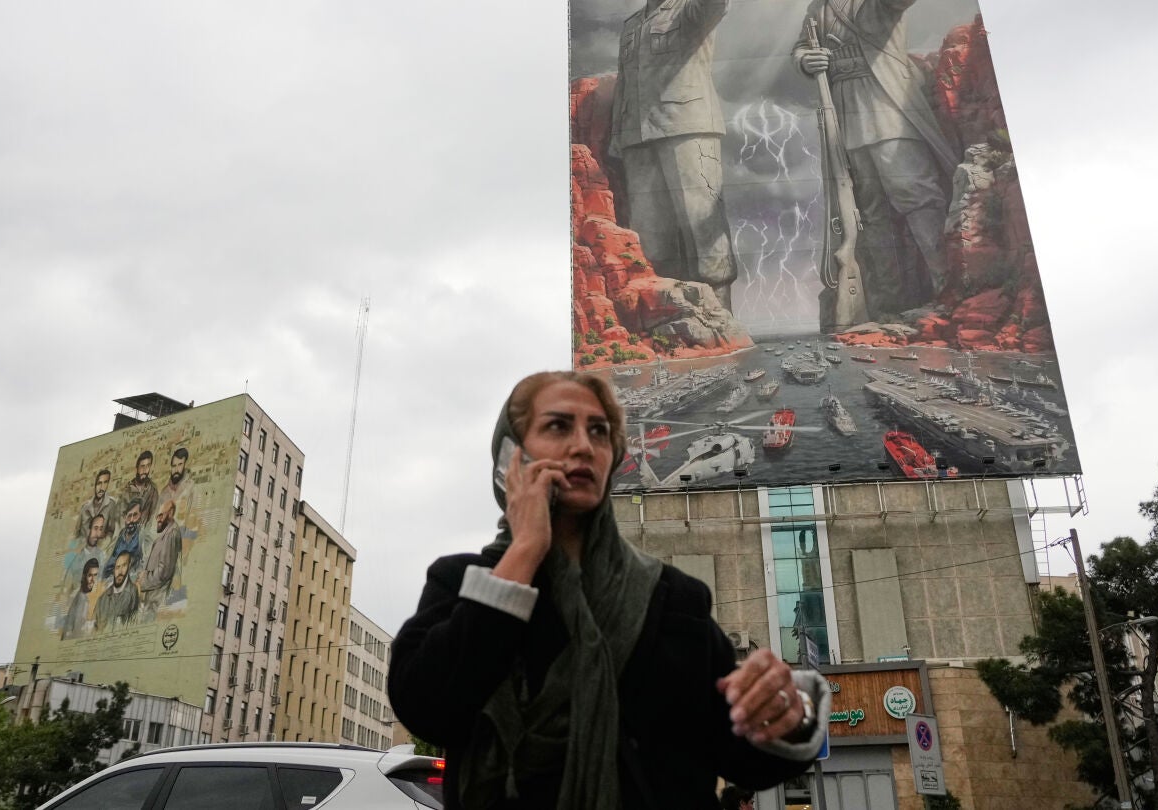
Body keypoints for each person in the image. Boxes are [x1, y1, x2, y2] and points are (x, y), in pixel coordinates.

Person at [389, 371, 828, 809]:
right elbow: (429, 708)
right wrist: (525, 550)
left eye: (599, 432)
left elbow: (741, 758)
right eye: (558, 426)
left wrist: (789, 714)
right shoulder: (461, 582)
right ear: (510, 458)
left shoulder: (671, 598)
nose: (584, 445)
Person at [793, 0, 960, 310]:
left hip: (887, 103)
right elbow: (801, 46)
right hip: (845, 110)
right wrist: (806, 60)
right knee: (870, 212)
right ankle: (890, 300)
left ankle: (947, 286)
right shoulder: (818, 7)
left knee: (916, 195)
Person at [610, 0, 738, 310]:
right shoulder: (631, 25)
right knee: (650, 239)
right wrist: (617, 137)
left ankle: (721, 313)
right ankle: (671, 315)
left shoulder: (689, 8)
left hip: (687, 128)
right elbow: (624, 83)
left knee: (702, 228)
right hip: (637, 138)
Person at [95, 551, 140, 631]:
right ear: (114, 570)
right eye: (117, 567)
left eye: (124, 565)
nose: (120, 571)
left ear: (129, 566)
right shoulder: (102, 599)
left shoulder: (133, 592)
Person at [61, 559, 100, 640]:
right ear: (84, 576)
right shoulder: (82, 599)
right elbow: (78, 631)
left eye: (95, 575)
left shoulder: (83, 595)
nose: (93, 580)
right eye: (90, 575)